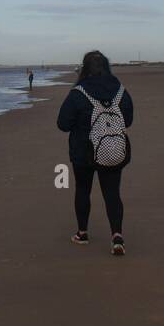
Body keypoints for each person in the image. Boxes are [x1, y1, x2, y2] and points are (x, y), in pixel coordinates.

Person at [56, 50, 133, 256]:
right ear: (107, 67)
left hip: (82, 152)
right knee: (112, 193)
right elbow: (128, 120)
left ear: (84, 68)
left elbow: (63, 124)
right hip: (113, 149)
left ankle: (82, 233)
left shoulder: (78, 93)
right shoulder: (120, 90)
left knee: (83, 190)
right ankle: (117, 236)